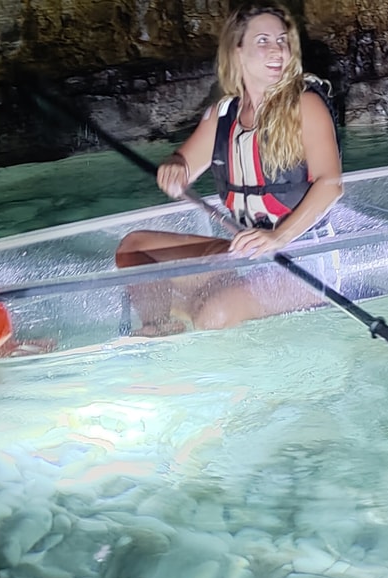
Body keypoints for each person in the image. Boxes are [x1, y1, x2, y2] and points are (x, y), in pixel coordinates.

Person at [115, 2, 343, 334]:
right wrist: (175, 168)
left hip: (303, 258)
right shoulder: (223, 115)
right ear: (237, 52)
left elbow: (331, 183)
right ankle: (159, 330)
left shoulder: (305, 104)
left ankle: (206, 312)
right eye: (263, 41)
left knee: (213, 312)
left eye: (282, 40)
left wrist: (278, 237)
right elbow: (184, 166)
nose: (277, 49)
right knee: (134, 248)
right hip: (249, 251)